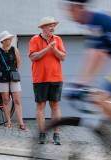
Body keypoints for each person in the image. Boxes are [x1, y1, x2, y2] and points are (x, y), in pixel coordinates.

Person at [64, 0, 111, 156]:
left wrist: (80, 84)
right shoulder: (98, 19)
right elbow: (103, 55)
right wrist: (86, 83)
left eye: (69, 9)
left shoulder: (95, 20)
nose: (68, 13)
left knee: (102, 99)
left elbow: (96, 55)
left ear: (77, 7)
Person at [29, 17, 66, 145]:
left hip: (56, 77)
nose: (52, 27)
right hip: (40, 78)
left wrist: (54, 48)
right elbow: (33, 57)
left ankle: (56, 134)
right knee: (40, 106)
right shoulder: (34, 39)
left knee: (55, 106)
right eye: (49, 25)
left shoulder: (58, 39)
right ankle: (42, 133)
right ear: (43, 27)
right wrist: (48, 48)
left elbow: (63, 57)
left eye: (53, 25)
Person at [0, 31, 27, 130]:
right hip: (2, 79)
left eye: (10, 38)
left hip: (14, 78)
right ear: (3, 41)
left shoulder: (14, 50)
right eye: (8, 39)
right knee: (5, 101)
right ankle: (8, 122)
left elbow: (18, 63)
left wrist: (12, 71)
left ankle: (21, 123)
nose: (10, 40)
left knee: (17, 100)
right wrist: (4, 72)